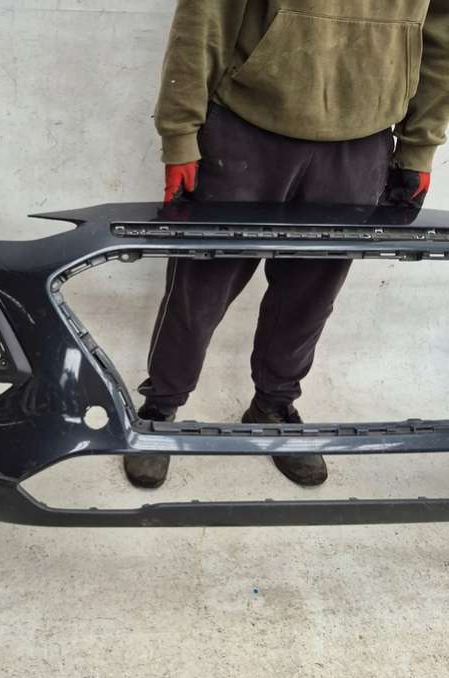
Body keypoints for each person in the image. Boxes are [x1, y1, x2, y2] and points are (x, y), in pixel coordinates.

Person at [125, 1, 449, 489]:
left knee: (311, 294)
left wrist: (420, 144)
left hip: (362, 137)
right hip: (246, 127)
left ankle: (273, 405)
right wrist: (180, 133)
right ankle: (160, 409)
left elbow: (442, 32)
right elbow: (205, 16)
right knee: (202, 286)